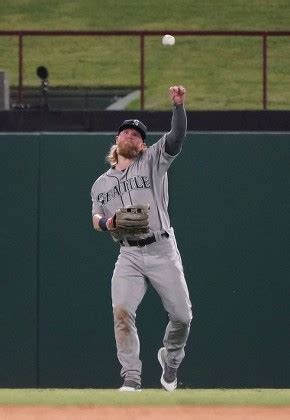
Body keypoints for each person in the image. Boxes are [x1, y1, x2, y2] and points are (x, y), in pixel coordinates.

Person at [91, 85, 192, 392]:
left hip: (161, 248)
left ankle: (171, 360)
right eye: (126, 132)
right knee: (121, 311)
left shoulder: (152, 161)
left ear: (142, 144)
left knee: (182, 317)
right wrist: (108, 222)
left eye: (137, 135)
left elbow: (176, 138)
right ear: (117, 139)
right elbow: (95, 219)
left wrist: (178, 107)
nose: (131, 136)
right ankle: (131, 378)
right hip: (129, 254)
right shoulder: (100, 184)